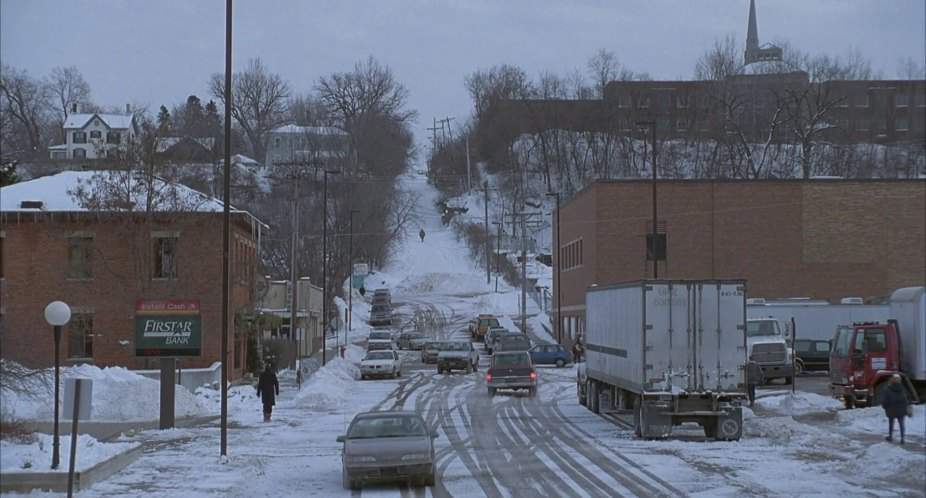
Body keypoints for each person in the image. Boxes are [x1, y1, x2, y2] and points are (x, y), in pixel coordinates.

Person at [882, 374, 910, 444]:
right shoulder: (902, 388)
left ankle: (890, 436)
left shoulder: (888, 389)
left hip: (891, 409)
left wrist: (884, 406)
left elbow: (885, 400)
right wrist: (906, 407)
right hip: (901, 409)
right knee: (901, 423)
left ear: (892, 380)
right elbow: (905, 399)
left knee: (891, 423)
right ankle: (902, 438)